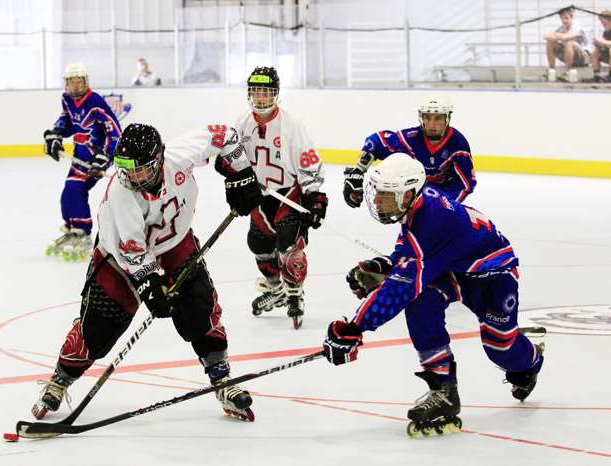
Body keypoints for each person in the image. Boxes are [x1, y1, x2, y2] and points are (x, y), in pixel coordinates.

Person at [31, 122, 263, 422]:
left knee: (200, 309)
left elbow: (226, 135)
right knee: (98, 330)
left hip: (175, 244)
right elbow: (132, 251)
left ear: (159, 158)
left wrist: (241, 173)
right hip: (119, 258)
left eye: (140, 168)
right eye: (127, 168)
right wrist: (150, 285)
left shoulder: (181, 154)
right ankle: (60, 379)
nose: (133, 176)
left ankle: (222, 379)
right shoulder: (121, 194)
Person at [322, 154, 545, 437]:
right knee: (421, 303)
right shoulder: (417, 208)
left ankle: (532, 360)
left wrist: (353, 327)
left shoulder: (432, 219)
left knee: (500, 348)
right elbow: (413, 255)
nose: (377, 201)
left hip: (492, 274)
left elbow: (401, 287)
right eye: (377, 193)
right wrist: (388, 264)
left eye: (386, 195)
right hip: (454, 270)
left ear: (409, 194)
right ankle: (443, 391)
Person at [231, 66, 327, 329]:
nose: (261, 98)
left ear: (275, 94)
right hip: (259, 196)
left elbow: (308, 159)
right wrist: (236, 182)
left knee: (288, 244)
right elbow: (233, 160)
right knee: (258, 243)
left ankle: (295, 291)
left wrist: (315, 195)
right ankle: (275, 285)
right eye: (256, 92)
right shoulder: (242, 124)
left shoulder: (290, 124)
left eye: (266, 92)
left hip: (288, 194)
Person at [43, 62, 123, 260]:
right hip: (79, 157)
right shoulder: (67, 99)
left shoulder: (95, 101)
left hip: (95, 158)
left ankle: (83, 231)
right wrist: (55, 134)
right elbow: (67, 120)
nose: (76, 85)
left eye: (80, 81)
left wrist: (105, 156)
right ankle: (73, 228)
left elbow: (114, 130)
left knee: (75, 188)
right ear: (66, 83)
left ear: (86, 82)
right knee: (68, 192)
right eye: (72, 81)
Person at [343, 94, 475, 212]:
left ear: (448, 119)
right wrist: (358, 171)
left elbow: (465, 184)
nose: (432, 125)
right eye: (427, 118)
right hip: (413, 198)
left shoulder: (459, 145)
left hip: (441, 198)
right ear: (421, 118)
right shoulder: (411, 138)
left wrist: (446, 205)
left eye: (438, 118)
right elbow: (376, 141)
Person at [544, 6, 590, 83]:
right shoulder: (562, 28)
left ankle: (567, 72)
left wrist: (555, 35)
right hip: (570, 54)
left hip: (584, 57)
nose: (564, 21)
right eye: (562, 19)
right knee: (550, 42)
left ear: (571, 17)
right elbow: (546, 36)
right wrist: (556, 36)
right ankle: (552, 71)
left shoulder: (576, 25)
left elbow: (567, 36)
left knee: (569, 42)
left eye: (566, 18)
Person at [590, 10, 611, 82]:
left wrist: (603, 41)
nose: (602, 22)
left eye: (603, 20)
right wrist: (598, 44)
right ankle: (596, 75)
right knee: (595, 52)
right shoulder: (606, 32)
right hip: (608, 56)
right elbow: (605, 44)